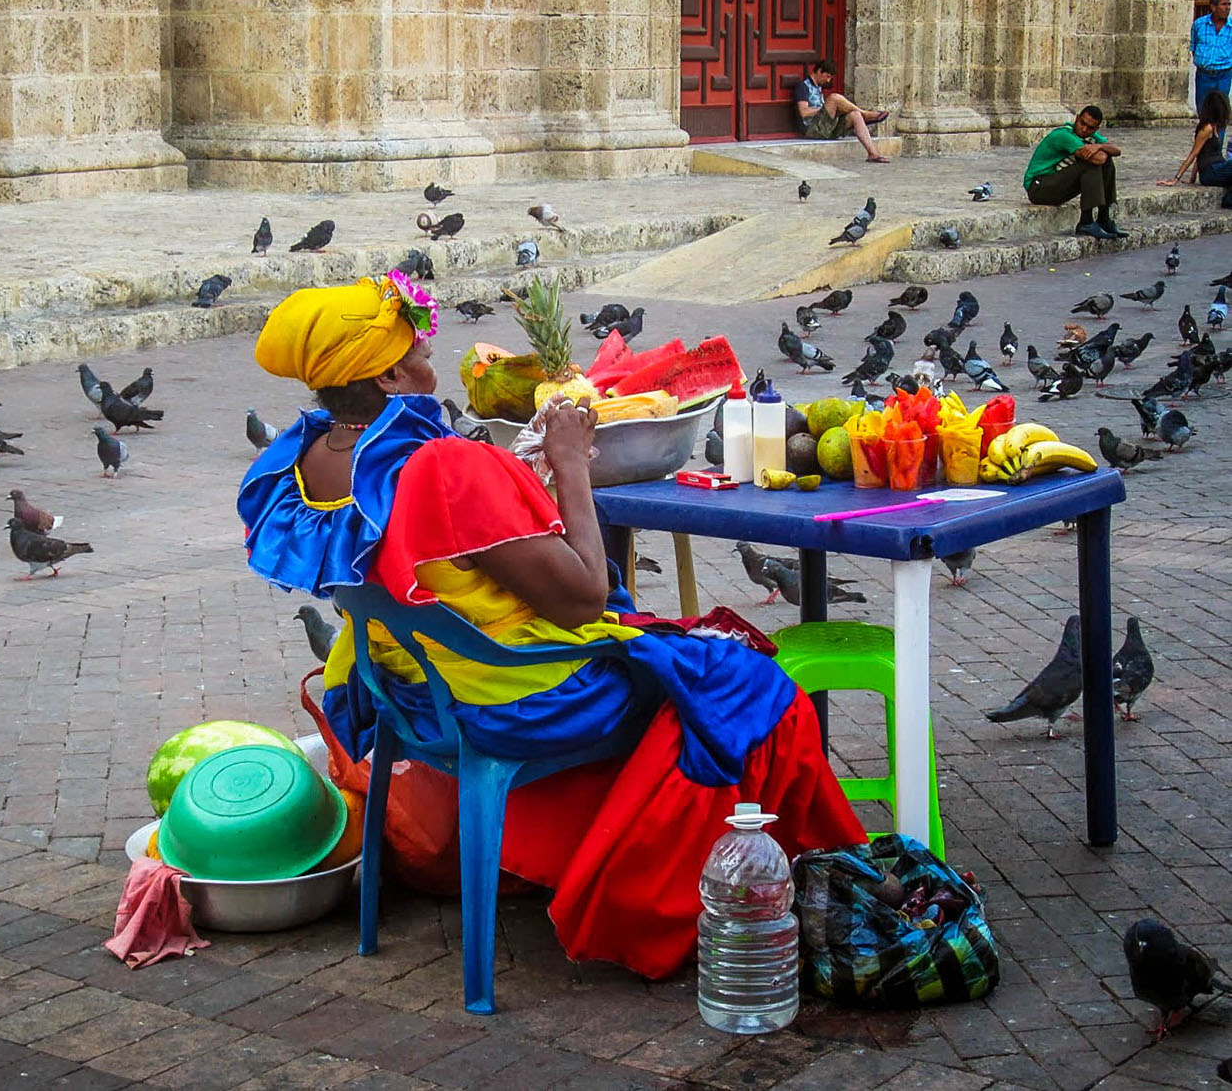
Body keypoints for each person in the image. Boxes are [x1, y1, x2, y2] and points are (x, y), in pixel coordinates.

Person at [237, 275, 866, 978]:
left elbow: (447, 551)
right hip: (518, 697)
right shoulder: (441, 464)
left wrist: (510, 477)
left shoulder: (309, 457)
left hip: (412, 695)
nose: (428, 355)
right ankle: (712, 892)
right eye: (416, 344)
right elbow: (584, 598)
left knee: (691, 655)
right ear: (387, 371)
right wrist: (570, 464)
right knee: (746, 682)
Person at [1023, 105, 1127, 240]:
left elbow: (1117, 150)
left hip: (1058, 185)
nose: (1084, 129)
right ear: (1077, 119)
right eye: (1082, 123)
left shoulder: (1092, 137)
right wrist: (1100, 150)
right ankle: (1086, 221)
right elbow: (1099, 158)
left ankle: (1103, 218)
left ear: (1096, 128)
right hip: (1039, 187)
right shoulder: (1063, 135)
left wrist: (1099, 146)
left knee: (1107, 162)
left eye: (1090, 128)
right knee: (1090, 163)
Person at [793, 58, 891, 163]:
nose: (828, 80)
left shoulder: (819, 88)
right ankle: (866, 114)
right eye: (827, 76)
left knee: (855, 115)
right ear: (819, 71)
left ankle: (873, 153)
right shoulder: (803, 86)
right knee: (834, 98)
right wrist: (826, 107)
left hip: (828, 128)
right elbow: (804, 112)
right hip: (813, 129)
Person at [1158, 89, 1232, 189]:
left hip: (1219, 166)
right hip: (1211, 172)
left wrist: (1192, 178)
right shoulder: (1207, 128)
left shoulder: (1215, 127)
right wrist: (1176, 179)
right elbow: (1194, 154)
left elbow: (1201, 154)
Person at [1192, 0, 1232, 113]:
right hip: (1204, 75)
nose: (1228, 8)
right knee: (1203, 109)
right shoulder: (1199, 24)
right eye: (1224, 4)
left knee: (1220, 111)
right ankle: (1205, 132)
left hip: (1223, 75)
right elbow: (1194, 47)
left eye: (1229, 4)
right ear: (1213, 7)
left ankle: (1219, 133)